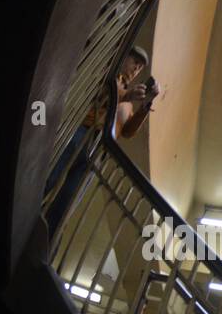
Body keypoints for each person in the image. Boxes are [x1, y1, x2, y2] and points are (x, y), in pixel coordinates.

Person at [44, 46, 160, 235]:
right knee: (51, 177)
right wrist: (125, 95)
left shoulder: (128, 104)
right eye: (134, 62)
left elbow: (128, 131)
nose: (136, 69)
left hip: (97, 150)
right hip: (82, 132)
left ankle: (48, 236)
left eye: (139, 68)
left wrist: (146, 106)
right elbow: (100, 94)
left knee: (69, 199)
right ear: (123, 57)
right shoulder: (109, 74)